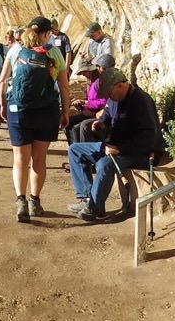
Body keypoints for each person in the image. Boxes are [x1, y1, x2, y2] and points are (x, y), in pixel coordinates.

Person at [0, 15, 69, 223]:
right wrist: (65, 111)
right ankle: (34, 201)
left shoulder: (15, 50)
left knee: (20, 158)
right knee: (39, 159)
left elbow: (3, 81)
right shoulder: (54, 52)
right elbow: (64, 86)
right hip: (46, 110)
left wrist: (3, 105)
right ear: (47, 33)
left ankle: (20, 201)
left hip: (18, 109)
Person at [67, 67, 159, 221]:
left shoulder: (141, 101)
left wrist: (120, 148)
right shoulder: (114, 98)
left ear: (120, 86)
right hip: (115, 147)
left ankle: (95, 209)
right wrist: (101, 122)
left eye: (110, 93)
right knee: (75, 150)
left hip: (139, 153)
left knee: (104, 164)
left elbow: (149, 137)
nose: (108, 97)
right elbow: (108, 114)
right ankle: (86, 199)